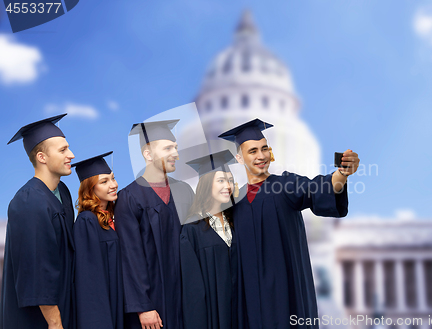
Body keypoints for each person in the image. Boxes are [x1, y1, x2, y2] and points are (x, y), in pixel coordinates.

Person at [218, 118, 360, 329]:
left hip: (285, 295)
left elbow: (317, 188)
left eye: (264, 149)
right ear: (239, 158)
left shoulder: (285, 185)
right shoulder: (233, 202)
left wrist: (342, 173)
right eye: (253, 151)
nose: (261, 156)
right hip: (247, 299)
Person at [114, 120, 194, 329]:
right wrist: (143, 306)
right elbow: (130, 257)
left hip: (187, 296)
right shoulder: (129, 197)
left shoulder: (184, 191)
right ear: (148, 154)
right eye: (167, 148)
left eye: (175, 148)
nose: (175, 153)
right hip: (152, 303)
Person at [1, 114, 76, 329]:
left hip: (63, 304)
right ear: (42, 157)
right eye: (62, 150)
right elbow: (36, 271)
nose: (71, 155)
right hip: (39, 320)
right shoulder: (28, 202)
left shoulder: (61, 191)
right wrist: (55, 324)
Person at [180, 150, 238, 329]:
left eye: (229, 180)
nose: (227, 186)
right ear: (206, 184)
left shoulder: (237, 222)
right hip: (213, 317)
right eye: (220, 180)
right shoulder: (192, 229)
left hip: (241, 312)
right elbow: (192, 291)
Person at [71, 152, 124, 329]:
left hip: (120, 305)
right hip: (104, 310)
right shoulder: (87, 221)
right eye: (104, 182)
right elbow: (89, 281)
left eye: (113, 179)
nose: (113, 185)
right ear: (89, 189)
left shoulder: (113, 219)